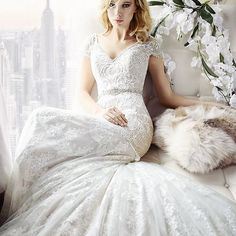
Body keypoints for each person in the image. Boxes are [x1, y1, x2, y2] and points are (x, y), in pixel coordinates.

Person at [0, 0, 236, 235]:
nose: (117, 12)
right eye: (112, 5)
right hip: (100, 118)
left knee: (42, 121)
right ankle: (22, 197)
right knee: (39, 119)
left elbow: (167, 97)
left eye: (125, 5)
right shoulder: (93, 42)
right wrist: (99, 112)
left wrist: (212, 104)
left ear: (136, 9)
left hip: (132, 124)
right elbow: (82, 92)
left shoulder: (147, 46)